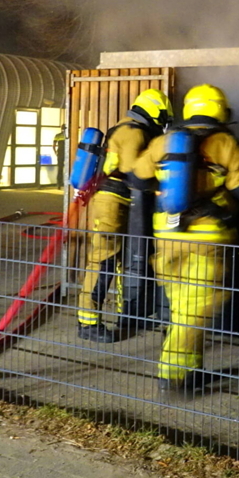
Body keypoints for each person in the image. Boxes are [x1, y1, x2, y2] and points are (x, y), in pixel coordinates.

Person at [129, 84, 239, 392]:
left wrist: (166, 188)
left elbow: (137, 177)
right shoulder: (223, 142)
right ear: (220, 110)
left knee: (183, 305)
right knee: (199, 307)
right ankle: (173, 377)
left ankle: (189, 370)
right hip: (206, 240)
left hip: (166, 237)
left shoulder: (164, 141)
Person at [78, 89, 172, 342]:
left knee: (123, 261)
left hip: (123, 202)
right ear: (155, 113)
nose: (161, 126)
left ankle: (126, 315)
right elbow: (135, 171)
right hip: (112, 201)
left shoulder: (127, 128)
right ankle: (87, 322)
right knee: (104, 259)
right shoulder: (132, 132)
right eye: (162, 119)